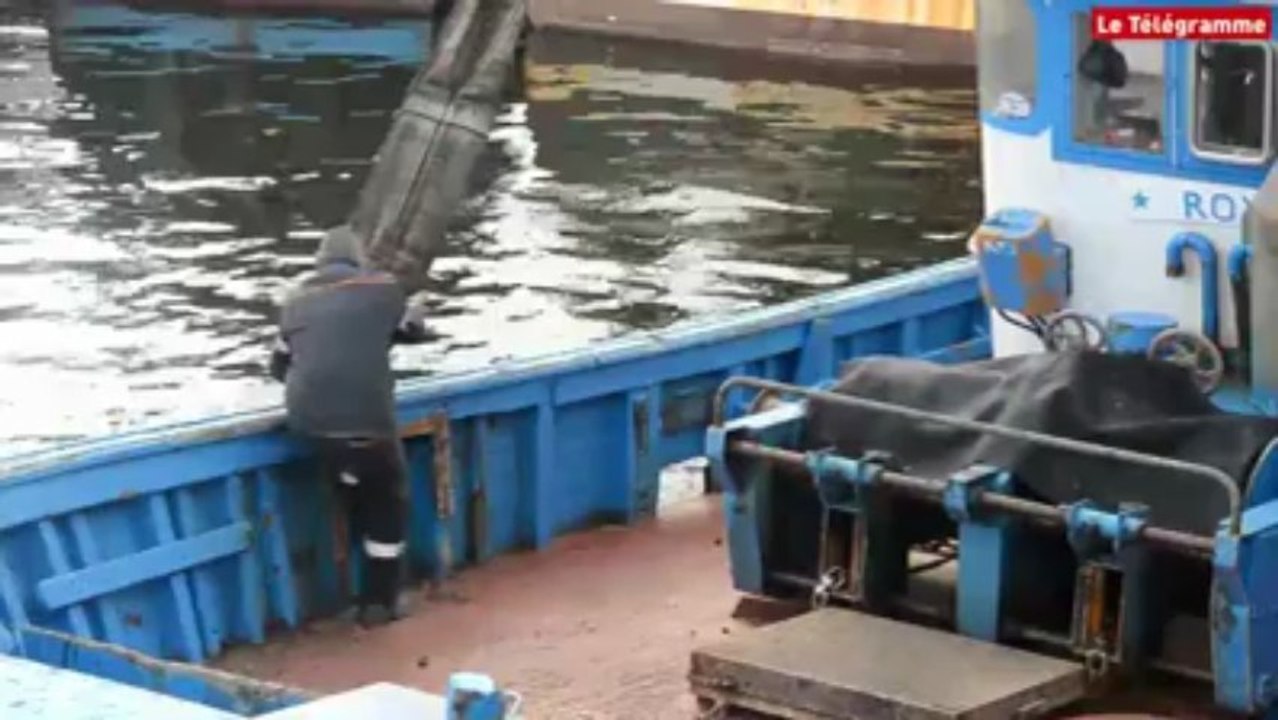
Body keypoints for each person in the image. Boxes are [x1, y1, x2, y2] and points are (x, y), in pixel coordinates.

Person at [269, 225, 429, 626]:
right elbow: (410, 332)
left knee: (352, 491)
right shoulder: (385, 289)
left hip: (311, 425)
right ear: (358, 260)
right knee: (388, 505)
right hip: (368, 423)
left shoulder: (294, 302)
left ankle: (351, 583)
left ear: (319, 263)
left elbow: (277, 367)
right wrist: (419, 312)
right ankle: (380, 602)